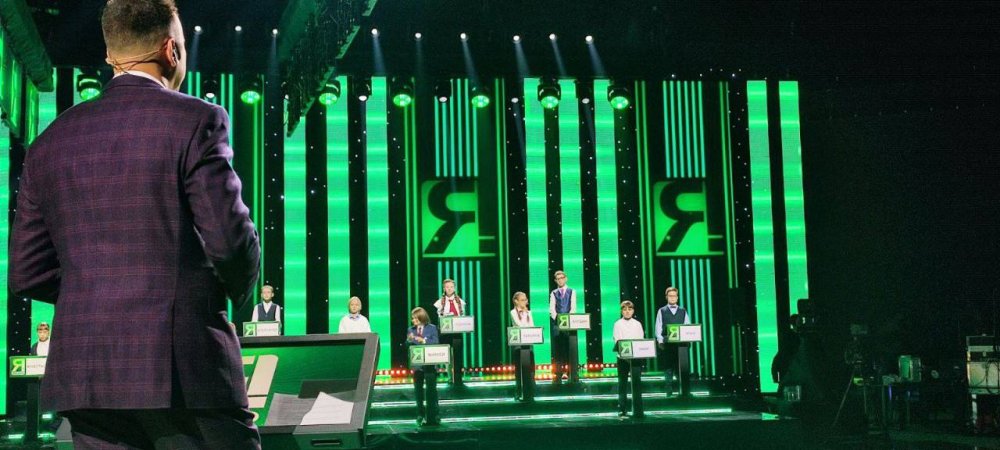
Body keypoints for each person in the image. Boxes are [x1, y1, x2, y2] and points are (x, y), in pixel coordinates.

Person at [8, 1, 261, 447]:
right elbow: (229, 242)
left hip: (86, 372)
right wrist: (217, 299)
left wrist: (95, 294)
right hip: (183, 367)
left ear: (110, 56)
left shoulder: (48, 143)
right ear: (171, 51)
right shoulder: (198, 120)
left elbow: (27, 272)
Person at [654, 287, 691, 397]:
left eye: (674, 295)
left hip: (681, 345)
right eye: (670, 296)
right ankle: (668, 392)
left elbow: (688, 326)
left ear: (677, 297)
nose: (672, 298)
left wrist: (688, 340)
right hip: (667, 344)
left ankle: (684, 391)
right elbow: (658, 327)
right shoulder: (662, 310)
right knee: (668, 368)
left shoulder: (683, 311)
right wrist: (660, 341)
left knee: (682, 368)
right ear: (666, 297)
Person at [406, 307, 440, 426]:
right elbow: (407, 345)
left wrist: (423, 341)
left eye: (415, 318)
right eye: (412, 318)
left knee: (432, 390)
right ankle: (420, 414)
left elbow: (435, 342)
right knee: (418, 391)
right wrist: (409, 340)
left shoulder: (432, 328)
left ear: (422, 317)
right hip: (417, 366)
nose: (413, 320)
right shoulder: (411, 330)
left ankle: (435, 414)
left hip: (430, 365)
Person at [432, 278, 466, 387]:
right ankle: (450, 376)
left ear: (454, 288)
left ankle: (458, 377)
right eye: (447, 287)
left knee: (457, 355)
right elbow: (439, 318)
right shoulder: (440, 303)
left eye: (451, 287)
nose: (449, 289)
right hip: (445, 333)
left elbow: (463, 316)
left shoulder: (460, 302)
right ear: (444, 288)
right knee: (448, 355)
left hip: (457, 333)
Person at [613, 301, 645, 418]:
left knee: (637, 383)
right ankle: (622, 409)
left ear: (633, 311)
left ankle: (638, 409)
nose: (627, 311)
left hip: (636, 359)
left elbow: (640, 339)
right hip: (622, 359)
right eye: (625, 309)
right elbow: (617, 340)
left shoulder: (637, 324)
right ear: (622, 311)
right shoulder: (617, 324)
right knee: (622, 383)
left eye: (629, 309)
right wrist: (626, 354)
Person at [548, 270, 577, 384]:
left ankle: (571, 374)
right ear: (556, 281)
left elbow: (573, 308)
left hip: (569, 324)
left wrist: (567, 320)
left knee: (569, 349)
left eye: (562, 278)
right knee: (558, 350)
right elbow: (552, 309)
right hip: (557, 325)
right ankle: (558, 375)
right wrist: (559, 320)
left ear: (566, 279)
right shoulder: (553, 293)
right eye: (558, 279)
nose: (560, 280)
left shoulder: (572, 291)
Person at [509, 292, 536, 402]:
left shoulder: (529, 313)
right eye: (523, 300)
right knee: (519, 370)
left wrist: (526, 313)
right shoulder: (513, 312)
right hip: (519, 345)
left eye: (526, 300)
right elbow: (519, 325)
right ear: (516, 301)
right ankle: (518, 392)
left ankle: (530, 392)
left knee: (531, 369)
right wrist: (524, 313)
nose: (525, 302)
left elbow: (532, 326)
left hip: (528, 344)